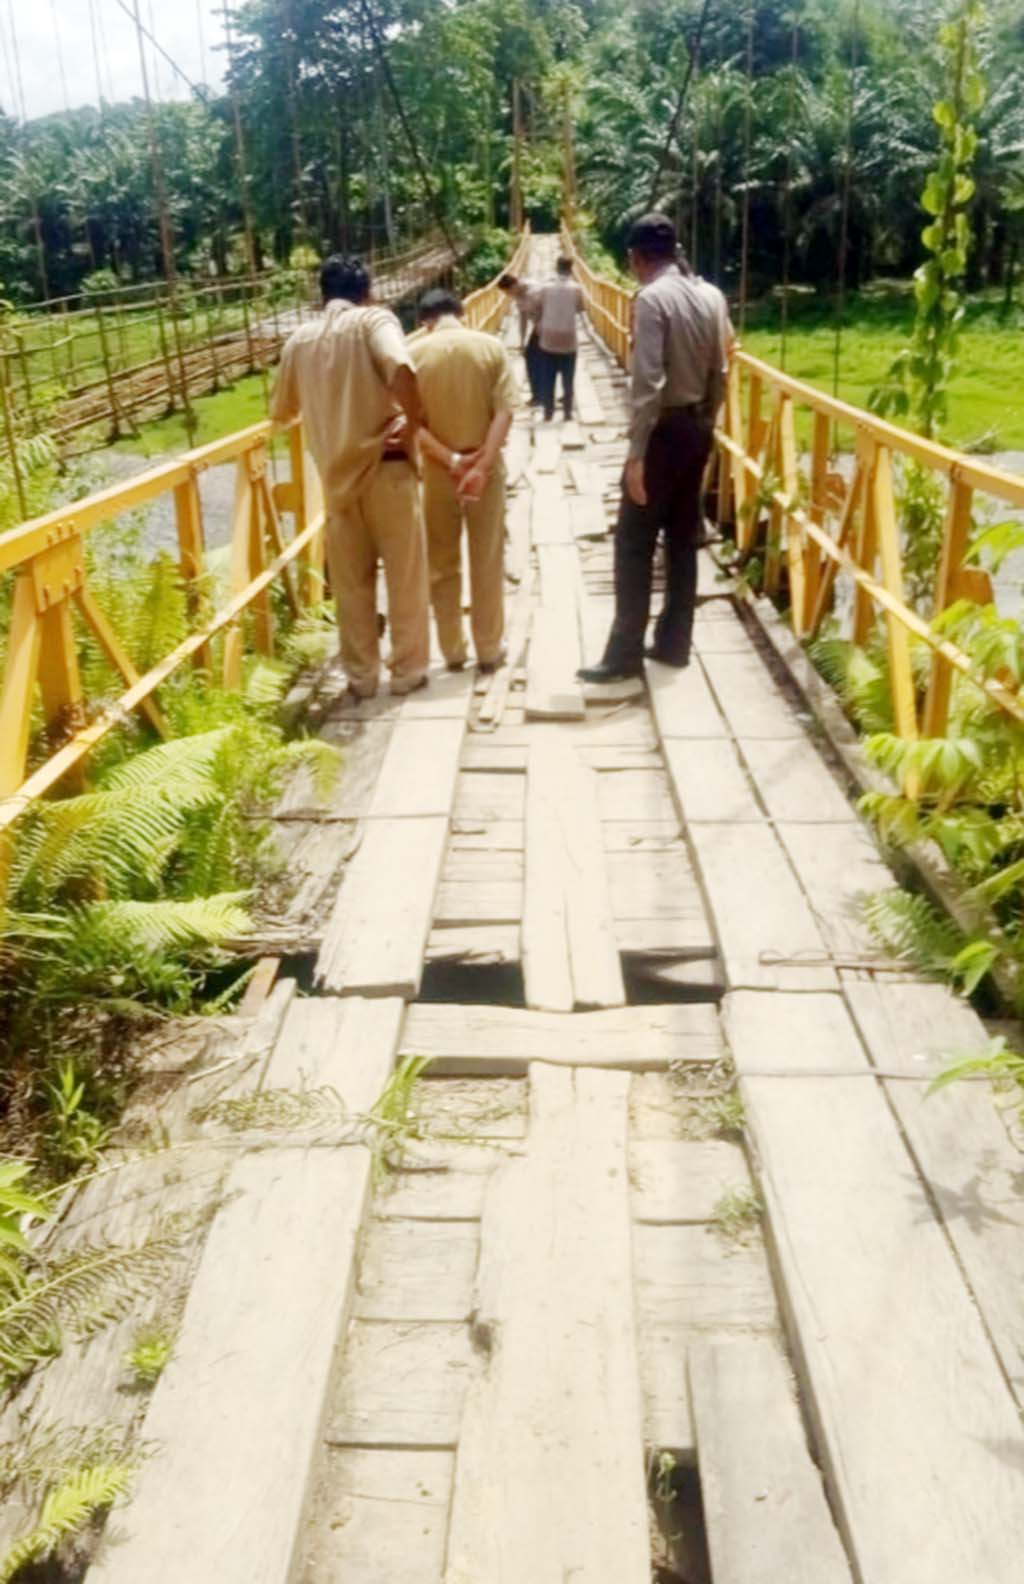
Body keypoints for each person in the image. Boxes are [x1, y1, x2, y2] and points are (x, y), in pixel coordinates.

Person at [578, 214, 731, 682]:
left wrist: (636, 456)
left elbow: (647, 382)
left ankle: (624, 653)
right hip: (697, 427)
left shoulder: (651, 299)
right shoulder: (710, 296)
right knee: (684, 540)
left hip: (662, 432)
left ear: (637, 257)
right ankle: (674, 645)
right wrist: (707, 422)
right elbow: (721, 371)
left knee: (633, 542)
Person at [270, 254, 430, 699]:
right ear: (368, 291)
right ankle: (407, 671)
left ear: (322, 295)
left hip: (335, 484)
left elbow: (280, 411)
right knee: (405, 578)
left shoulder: (299, 340)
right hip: (387, 469)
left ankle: (362, 678)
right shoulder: (372, 321)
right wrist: (414, 421)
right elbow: (400, 368)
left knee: (351, 588)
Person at [411, 288, 519, 673]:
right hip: (485, 471)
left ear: (425, 321)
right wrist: (481, 465)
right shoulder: (490, 348)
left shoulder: (414, 354)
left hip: (439, 472)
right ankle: (489, 648)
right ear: (462, 312)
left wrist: (452, 460)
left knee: (442, 562)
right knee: (487, 557)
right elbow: (505, 411)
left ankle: (452, 650)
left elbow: (410, 424)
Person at [535, 255, 584, 421]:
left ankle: (548, 413)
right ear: (571, 269)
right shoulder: (577, 288)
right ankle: (568, 413)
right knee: (568, 378)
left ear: (557, 267)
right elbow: (580, 308)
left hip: (548, 338)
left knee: (548, 377)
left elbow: (538, 306)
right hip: (569, 338)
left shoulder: (545, 288)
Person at [499, 272, 543, 405]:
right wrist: (522, 341)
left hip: (549, 325)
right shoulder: (517, 296)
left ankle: (544, 394)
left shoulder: (535, 289)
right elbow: (523, 319)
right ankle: (538, 395)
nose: (508, 296)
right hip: (537, 328)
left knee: (548, 358)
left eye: (508, 292)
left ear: (514, 285)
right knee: (530, 356)